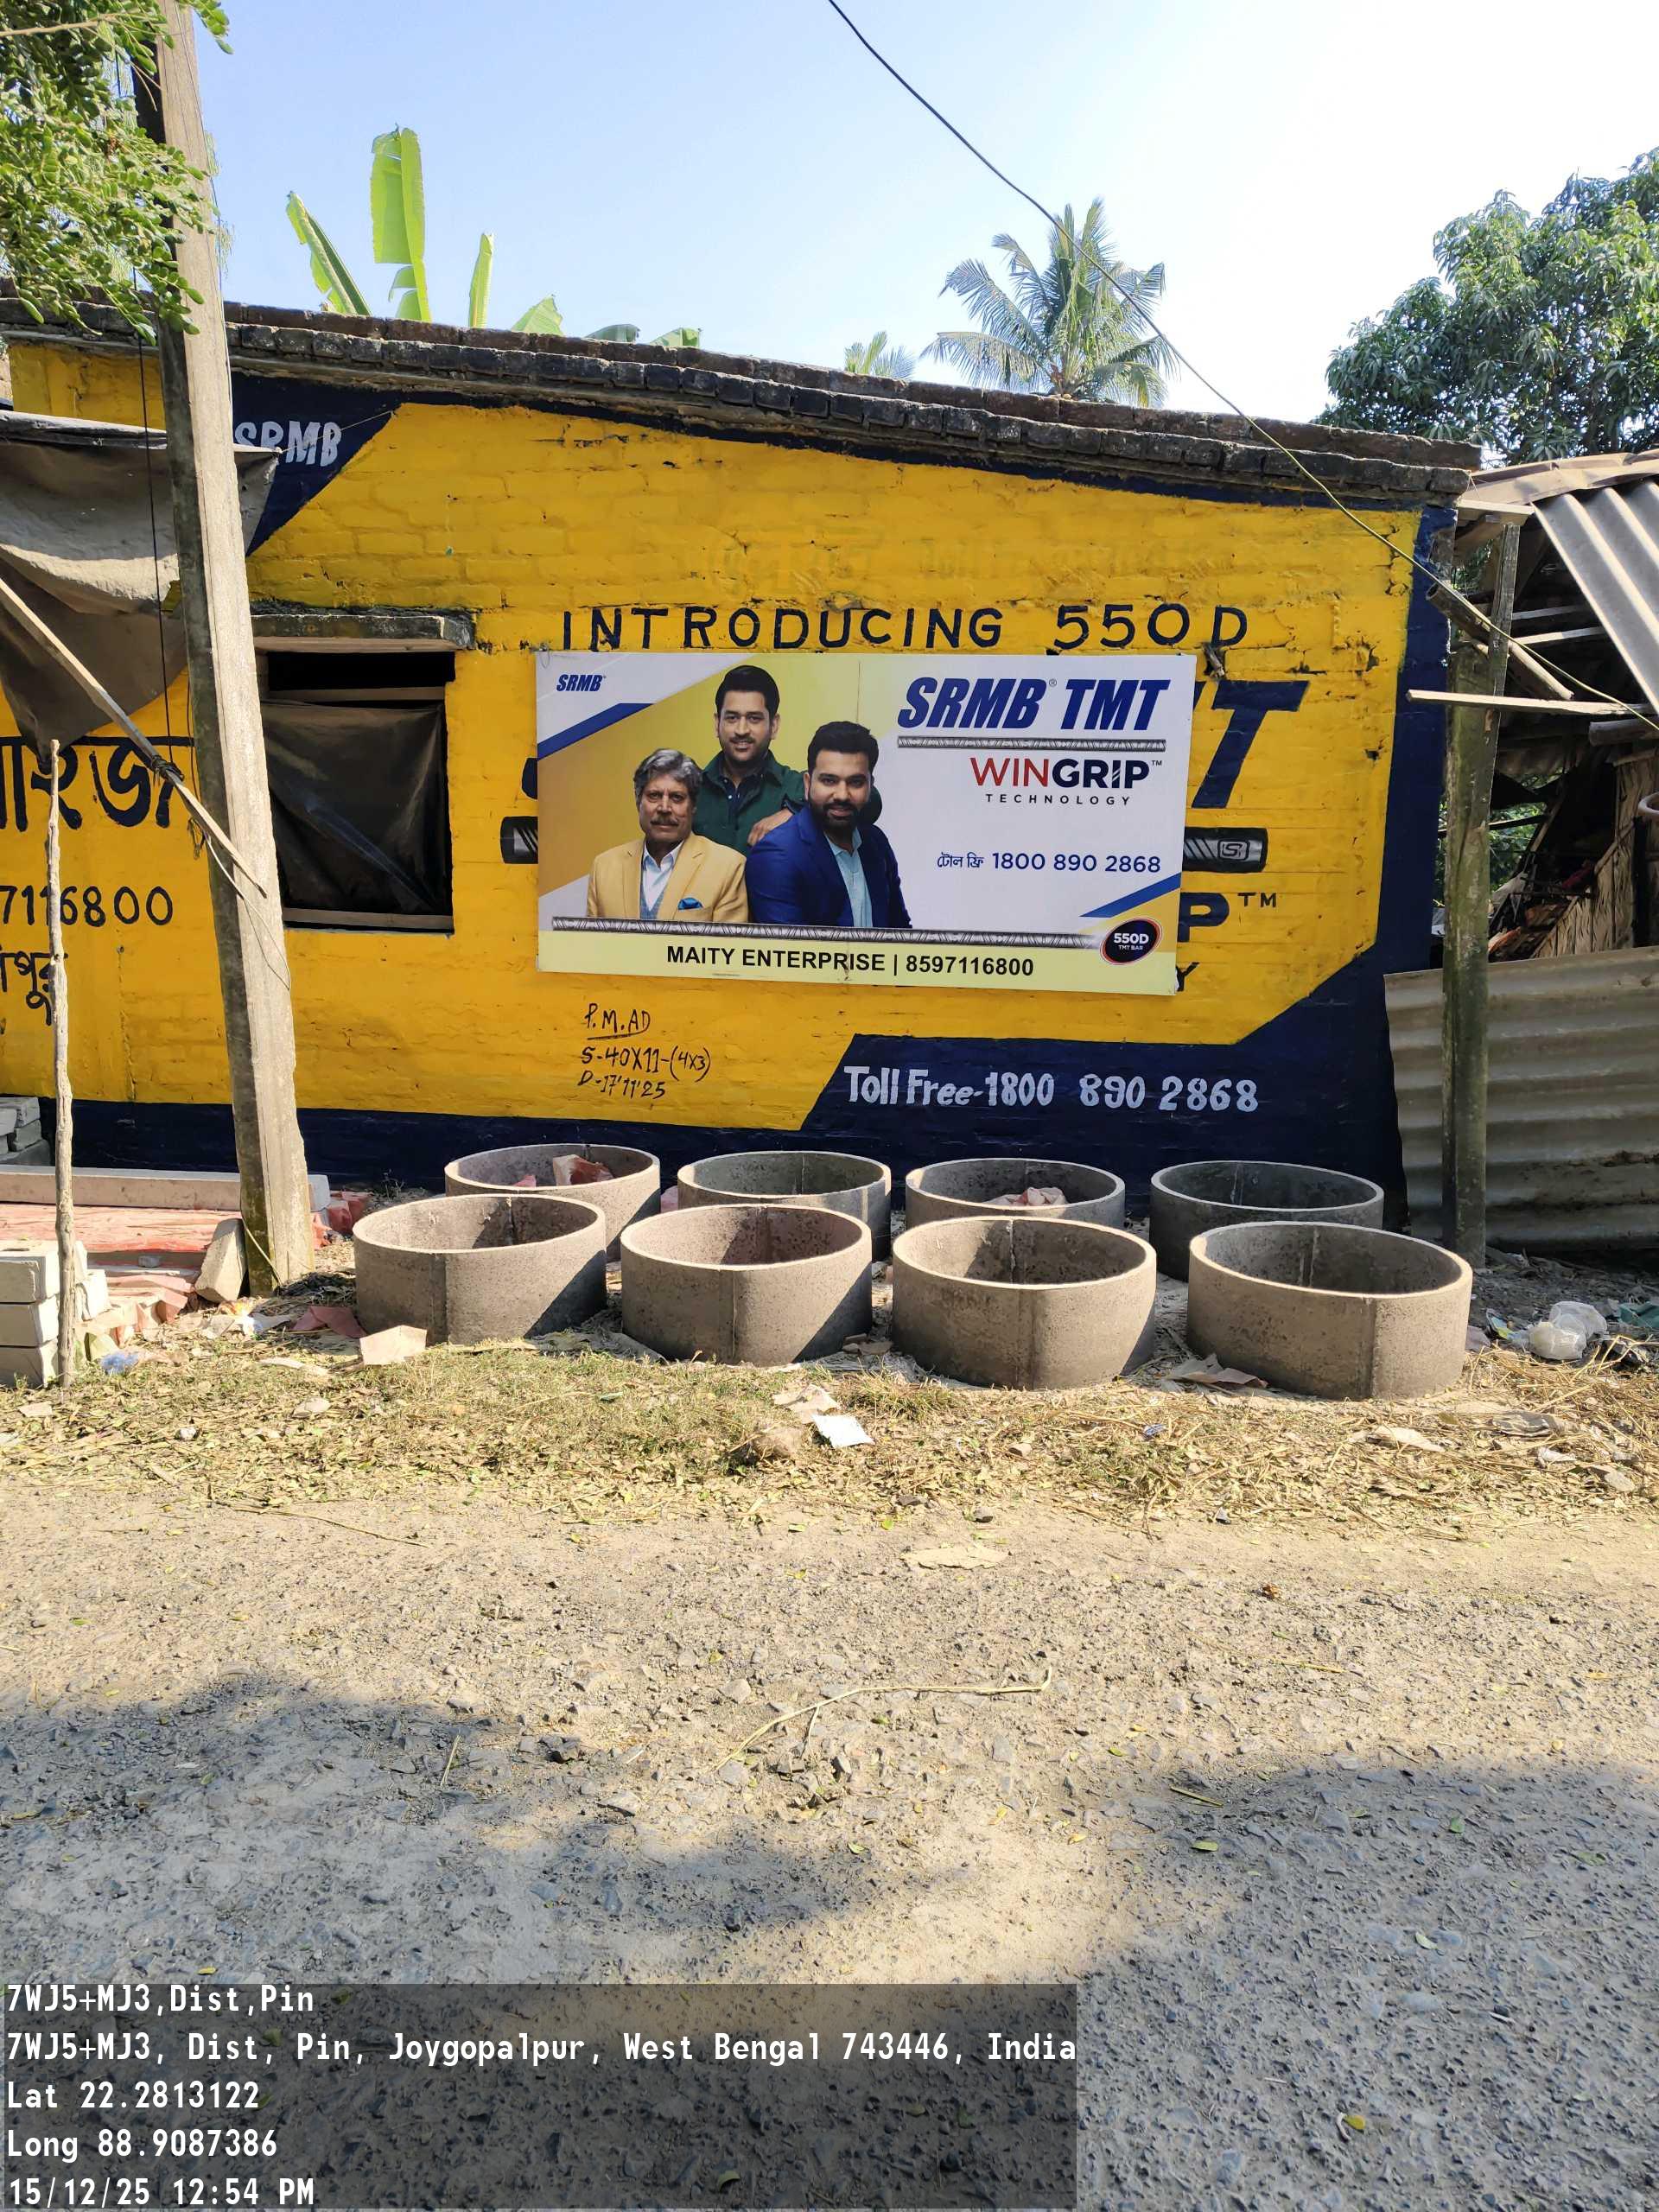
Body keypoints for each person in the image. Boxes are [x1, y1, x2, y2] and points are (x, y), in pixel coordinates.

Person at [694, 662, 880, 854]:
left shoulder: (796, 786)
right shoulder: (690, 789)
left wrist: (795, 812)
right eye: (732, 718)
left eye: (754, 718)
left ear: (774, 725)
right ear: (717, 723)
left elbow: (871, 801)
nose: (742, 730)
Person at [744, 721, 910, 930]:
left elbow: (900, 932)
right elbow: (790, 949)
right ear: (807, 784)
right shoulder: (776, 856)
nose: (842, 795)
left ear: (870, 786)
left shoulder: (875, 842)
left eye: (856, 782)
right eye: (829, 781)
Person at [587, 749, 747, 921]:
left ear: (693, 806)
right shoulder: (604, 867)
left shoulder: (727, 867)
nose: (664, 808)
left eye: (677, 797)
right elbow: (590, 939)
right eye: (654, 796)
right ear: (638, 801)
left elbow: (726, 938)